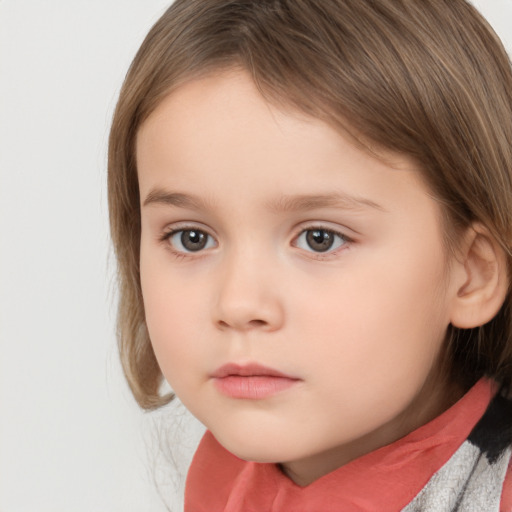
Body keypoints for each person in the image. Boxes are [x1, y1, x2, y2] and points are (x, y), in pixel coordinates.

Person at [107, 0, 512, 510]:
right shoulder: (221, 475)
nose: (237, 303)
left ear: (471, 274)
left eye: (320, 238)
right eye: (192, 237)